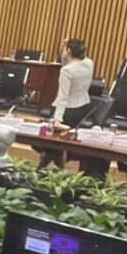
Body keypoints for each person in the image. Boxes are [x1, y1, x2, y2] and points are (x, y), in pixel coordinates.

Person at [38, 39, 95, 168]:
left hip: (66, 111)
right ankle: (45, 169)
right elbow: (70, 63)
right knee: (62, 145)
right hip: (82, 108)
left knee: (54, 145)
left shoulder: (66, 71)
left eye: (65, 49)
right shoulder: (89, 63)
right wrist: (65, 51)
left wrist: (57, 119)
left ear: (68, 51)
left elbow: (63, 97)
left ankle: (53, 170)